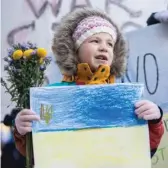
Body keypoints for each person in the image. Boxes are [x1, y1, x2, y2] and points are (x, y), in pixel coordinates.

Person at [13, 7, 164, 161]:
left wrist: (154, 120)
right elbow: (38, 151)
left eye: (110, 44)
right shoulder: (52, 97)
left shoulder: (126, 98)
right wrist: (21, 129)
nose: (104, 47)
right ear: (74, 49)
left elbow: (144, 148)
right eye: (95, 40)